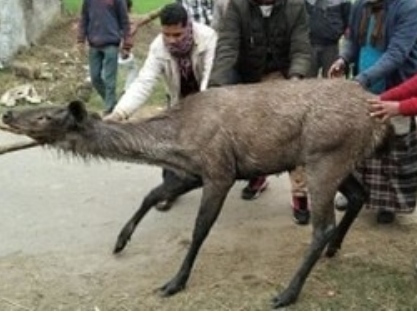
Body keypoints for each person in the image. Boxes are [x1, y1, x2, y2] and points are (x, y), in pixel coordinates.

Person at [104, 3, 217, 211]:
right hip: (177, 100)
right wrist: (119, 113)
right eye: (167, 34)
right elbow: (144, 83)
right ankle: (169, 190)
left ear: (188, 26)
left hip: (207, 99)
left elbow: (211, 78)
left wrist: (199, 113)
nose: (172, 40)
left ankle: (216, 181)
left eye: (177, 34)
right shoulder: (158, 47)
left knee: (212, 144)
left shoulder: (208, 38)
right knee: (169, 145)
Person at [209, 0, 312, 225]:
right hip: (249, 77)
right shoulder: (237, 6)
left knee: (293, 136)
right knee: (250, 135)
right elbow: (227, 47)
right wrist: (216, 87)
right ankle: (258, 176)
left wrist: (295, 80)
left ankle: (300, 194)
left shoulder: (295, 6)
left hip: (284, 76)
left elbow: (301, 48)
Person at [328, 0, 417, 223]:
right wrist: (343, 59)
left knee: (393, 148)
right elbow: (352, 41)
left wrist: (362, 80)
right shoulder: (362, 6)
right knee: (359, 144)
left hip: (395, 84)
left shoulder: (409, 8)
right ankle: (355, 193)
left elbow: (397, 54)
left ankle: (388, 203)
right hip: (366, 85)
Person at [77, 0, 132, 115]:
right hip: (94, 44)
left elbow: (124, 21)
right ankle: (112, 102)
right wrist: (80, 40)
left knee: (109, 79)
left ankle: (109, 109)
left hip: (111, 44)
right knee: (95, 77)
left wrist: (127, 43)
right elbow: (84, 19)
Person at [305, 0, 351, 77]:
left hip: (331, 46)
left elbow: (348, 22)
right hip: (309, 45)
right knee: (306, 81)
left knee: (331, 79)